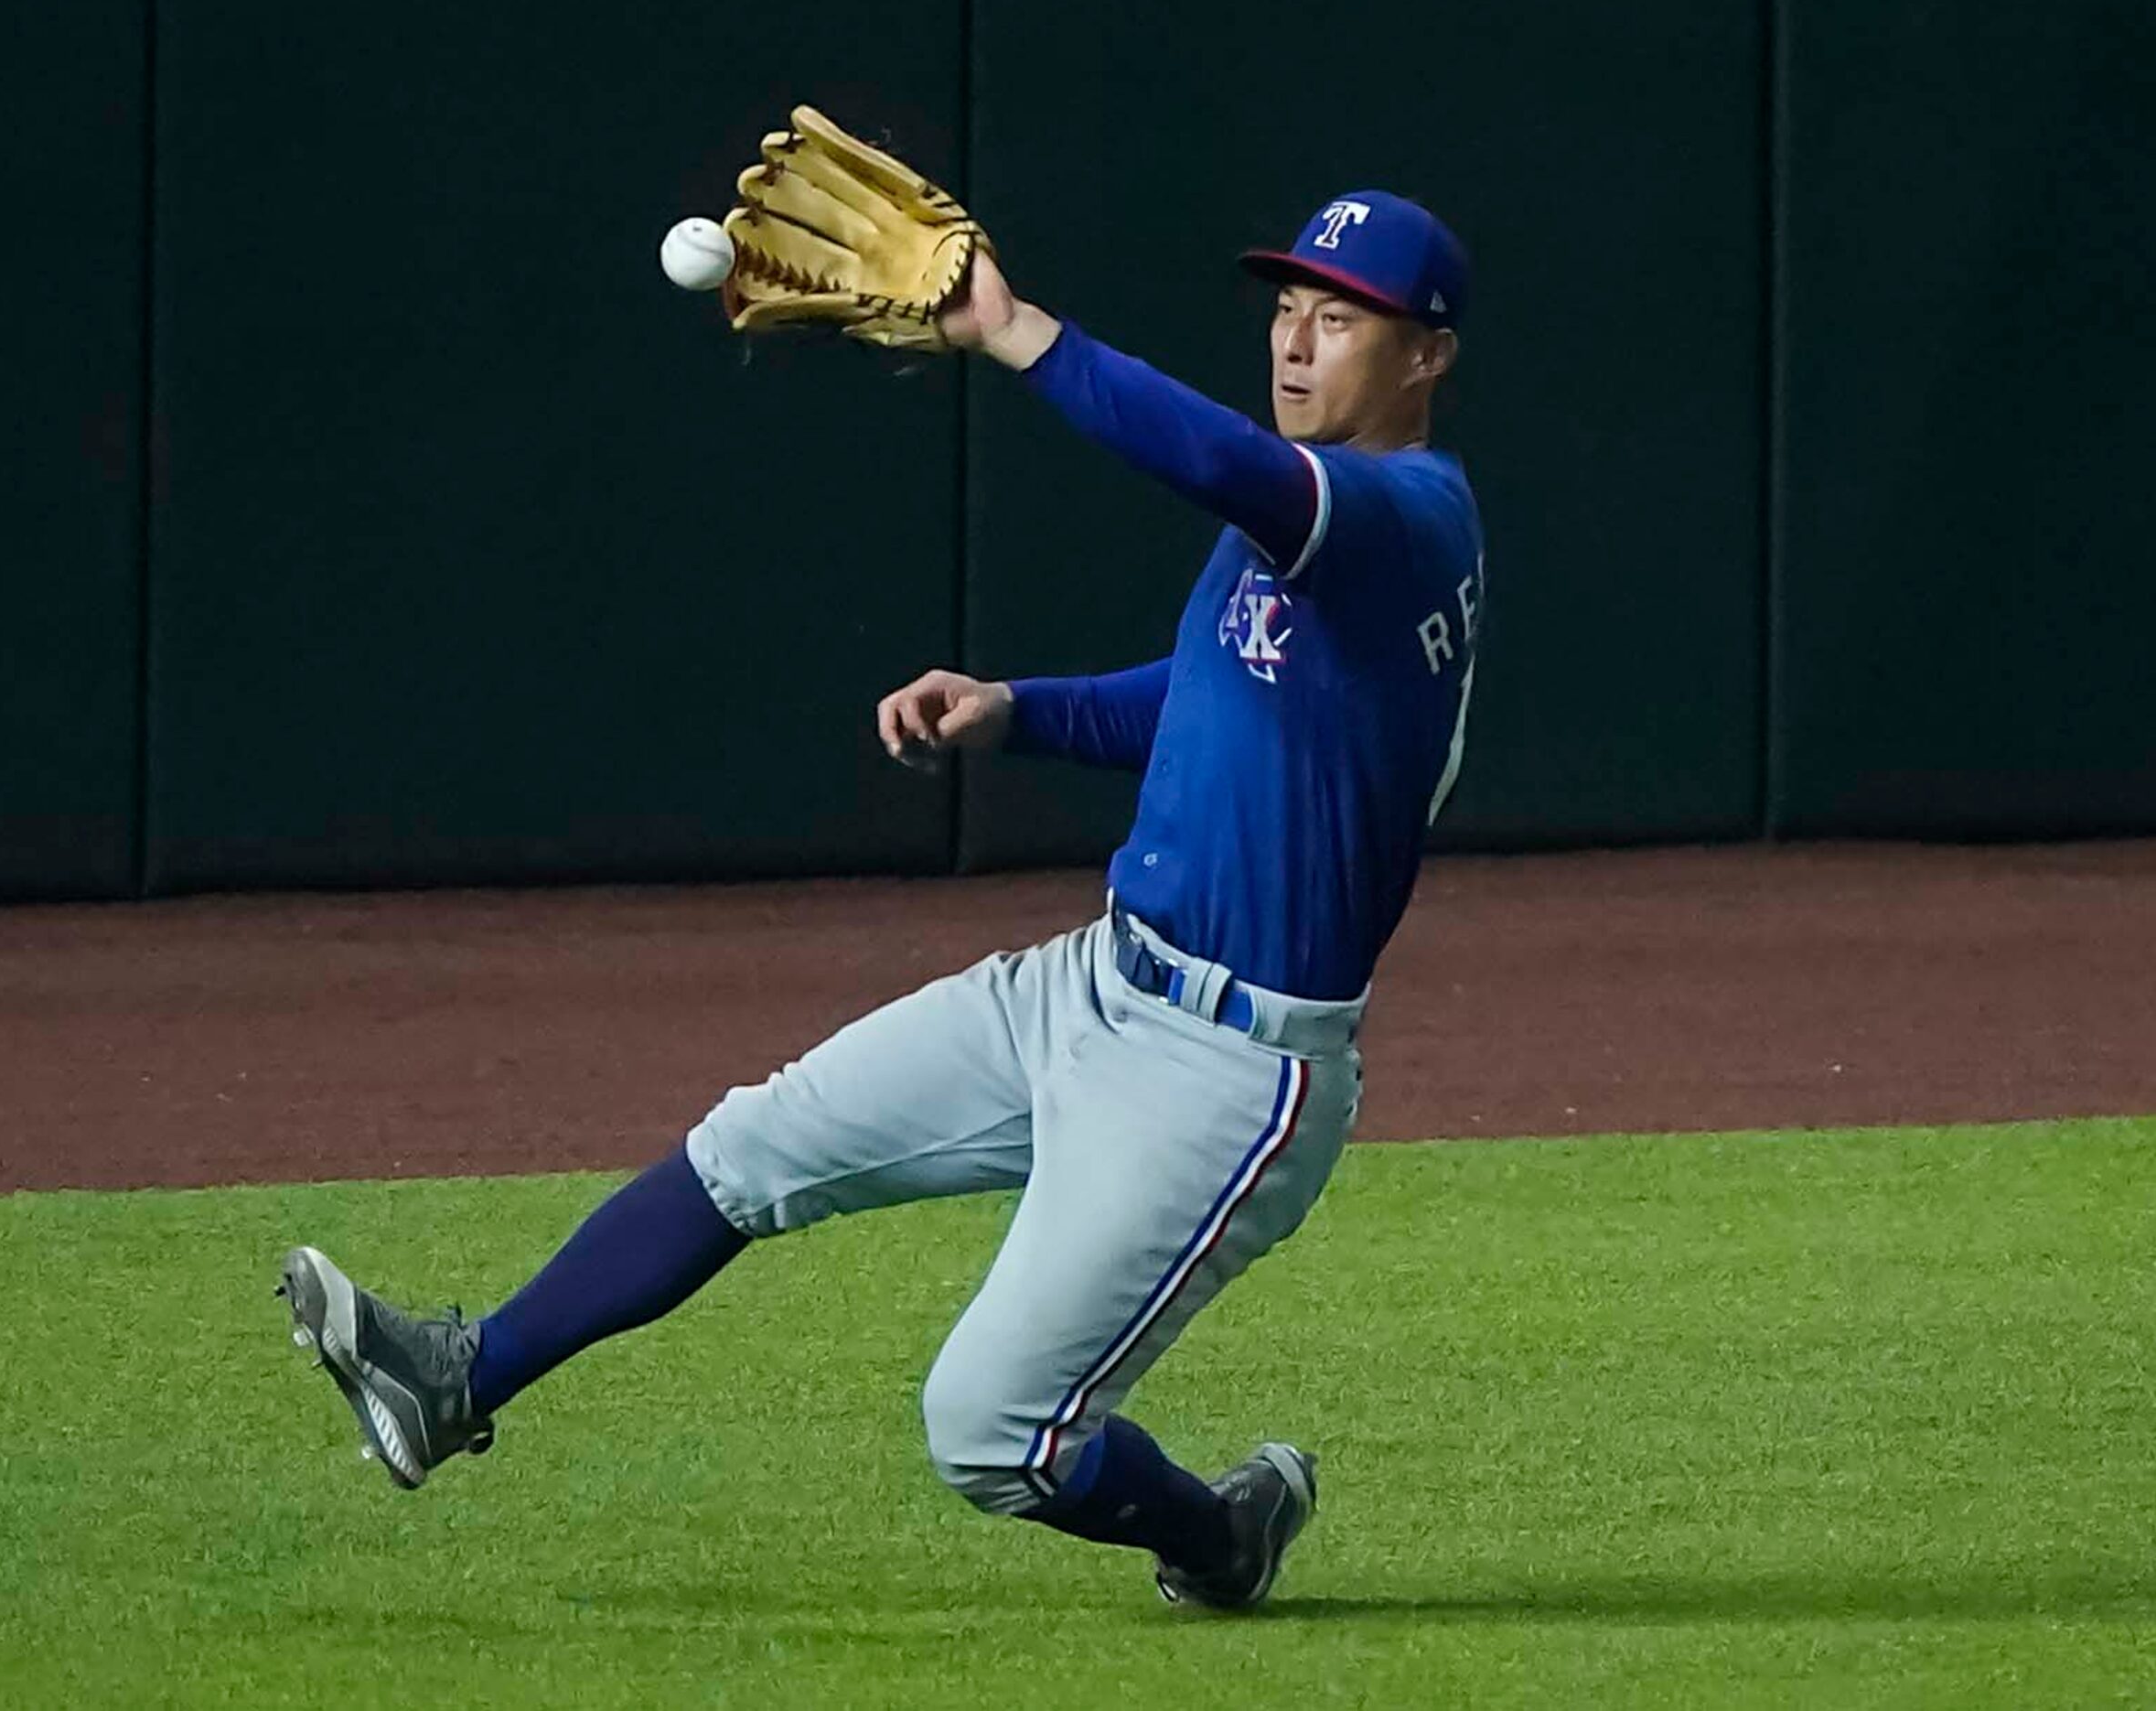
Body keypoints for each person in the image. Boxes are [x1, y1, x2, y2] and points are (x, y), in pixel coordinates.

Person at [278, 189, 1483, 1611]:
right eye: (1286, 307)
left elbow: (1212, 460)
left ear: (1428, 355)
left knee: (985, 1429)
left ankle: (1217, 1536)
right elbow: (1212, 695)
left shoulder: (1399, 513)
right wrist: (1014, 710)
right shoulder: (1316, 525)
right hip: (1092, 983)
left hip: (1231, 1072)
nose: (1294, 341)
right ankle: (458, 1376)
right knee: (753, 1145)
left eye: (1340, 318)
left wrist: (1012, 329)